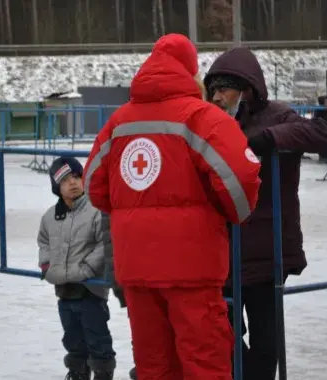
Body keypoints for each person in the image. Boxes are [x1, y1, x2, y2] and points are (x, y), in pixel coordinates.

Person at [83, 33, 262, 380]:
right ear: (191, 71)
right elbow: (241, 177)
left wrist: (129, 211)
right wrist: (233, 212)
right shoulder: (202, 118)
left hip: (136, 266)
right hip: (192, 266)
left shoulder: (119, 122)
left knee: (154, 365)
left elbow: (94, 185)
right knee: (204, 360)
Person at [203, 46, 327, 380]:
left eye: (224, 88)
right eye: (213, 89)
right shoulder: (208, 121)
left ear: (246, 89)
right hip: (222, 253)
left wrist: (269, 139)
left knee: (266, 341)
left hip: (267, 252)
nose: (217, 96)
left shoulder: (276, 115)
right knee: (224, 336)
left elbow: (322, 135)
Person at [37, 157, 116, 380]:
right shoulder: (50, 217)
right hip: (64, 290)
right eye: (65, 180)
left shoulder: (96, 210)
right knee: (72, 339)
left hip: (91, 291)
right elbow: (44, 242)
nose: (73, 183)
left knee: (97, 340)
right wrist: (46, 265)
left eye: (77, 177)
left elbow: (105, 241)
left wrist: (87, 268)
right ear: (56, 186)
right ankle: (77, 372)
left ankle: (103, 373)